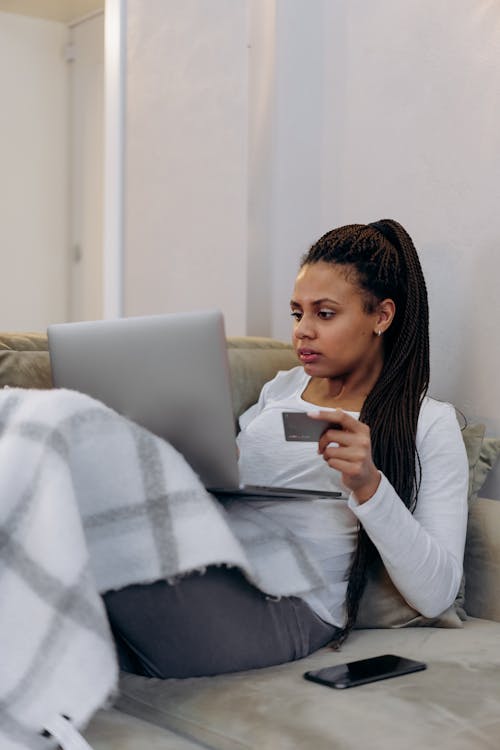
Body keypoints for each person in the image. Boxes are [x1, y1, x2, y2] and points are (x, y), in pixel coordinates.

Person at [103, 219, 468, 679]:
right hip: (218, 564)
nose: (302, 331)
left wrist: (369, 486)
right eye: (298, 313)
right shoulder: (281, 390)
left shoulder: (429, 424)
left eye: (325, 313)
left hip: (291, 606)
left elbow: (436, 593)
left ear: (382, 316)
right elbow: (226, 474)